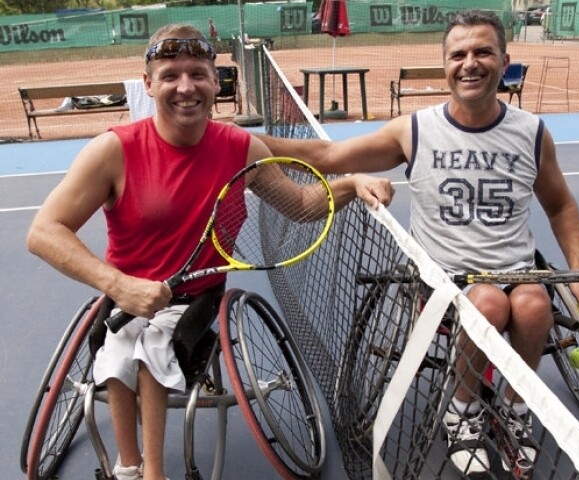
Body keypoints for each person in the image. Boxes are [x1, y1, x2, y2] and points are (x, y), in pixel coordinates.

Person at [26, 24, 393, 480]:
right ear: (148, 85)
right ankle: (128, 466)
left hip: (198, 299)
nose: (186, 87)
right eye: (170, 75)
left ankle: (151, 472)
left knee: (153, 345)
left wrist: (355, 184)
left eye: (198, 74)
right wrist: (118, 284)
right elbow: (43, 231)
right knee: (121, 343)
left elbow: (301, 205)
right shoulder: (111, 151)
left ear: (215, 81)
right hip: (125, 294)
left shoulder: (241, 148)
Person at [256, 9, 579, 478]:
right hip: (442, 286)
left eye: (483, 51)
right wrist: (243, 144)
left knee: (534, 307)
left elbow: (560, 206)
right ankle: (460, 411)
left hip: (517, 272)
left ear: (505, 60)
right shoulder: (415, 130)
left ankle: (515, 411)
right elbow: (327, 155)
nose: (470, 63)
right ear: (445, 65)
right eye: (458, 54)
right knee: (486, 304)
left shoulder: (532, 133)